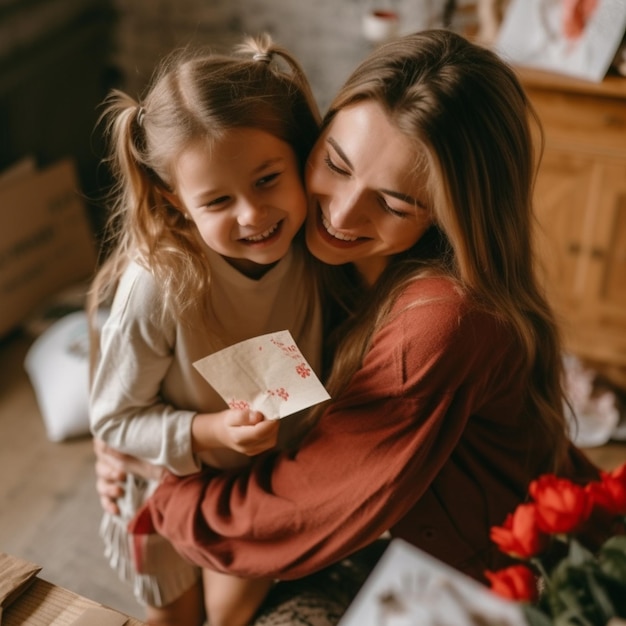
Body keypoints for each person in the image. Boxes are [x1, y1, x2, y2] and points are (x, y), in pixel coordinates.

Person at [95, 28, 600, 621]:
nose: (338, 213)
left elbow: (305, 505)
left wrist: (165, 487)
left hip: (455, 570)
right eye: (335, 163)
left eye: (393, 203)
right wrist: (137, 433)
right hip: (354, 514)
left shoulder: (439, 322)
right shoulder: (291, 238)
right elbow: (149, 304)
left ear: (452, 214)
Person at [87, 34, 323, 626]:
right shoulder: (159, 286)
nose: (252, 215)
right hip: (163, 487)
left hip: (261, 489)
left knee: (232, 616)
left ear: (302, 157)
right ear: (177, 205)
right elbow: (114, 420)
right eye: (217, 200)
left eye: (268, 179)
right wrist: (212, 431)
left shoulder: (319, 248)